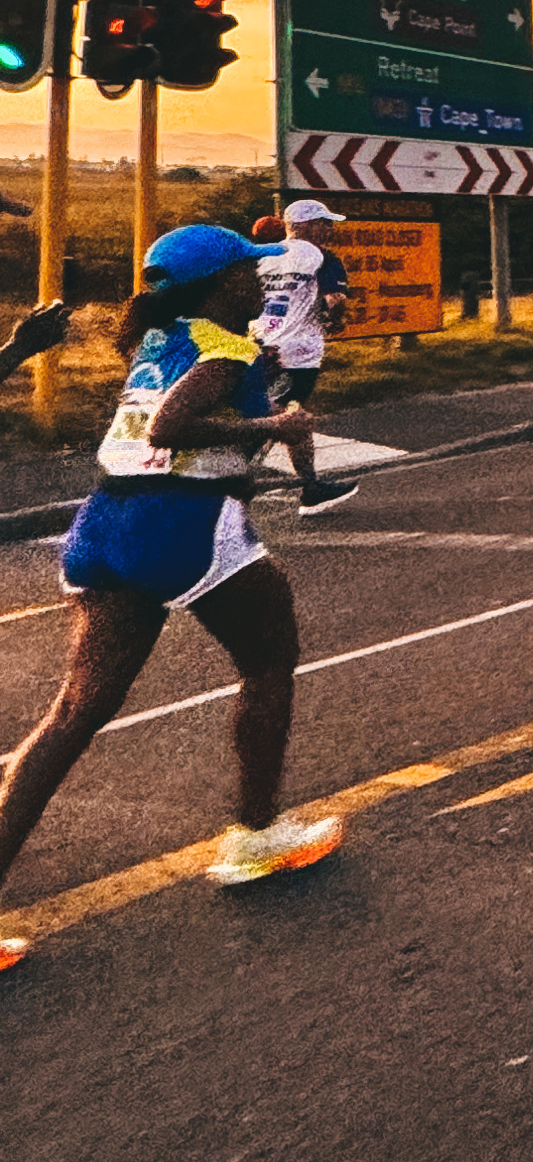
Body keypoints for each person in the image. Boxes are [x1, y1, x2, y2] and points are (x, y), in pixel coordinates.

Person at [2, 228, 359, 958]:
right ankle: (255, 834)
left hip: (103, 523)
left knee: (72, 715)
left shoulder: (160, 338)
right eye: (247, 273)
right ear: (220, 282)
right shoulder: (227, 349)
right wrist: (274, 423)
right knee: (268, 659)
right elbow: (173, 425)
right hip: (183, 522)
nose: (260, 282)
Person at [250, 196, 351, 407]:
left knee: (262, 408)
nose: (330, 229)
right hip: (300, 352)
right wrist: (336, 321)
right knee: (288, 413)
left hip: (262, 346)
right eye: (325, 223)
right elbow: (336, 299)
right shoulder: (323, 257)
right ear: (306, 225)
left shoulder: (266, 255)